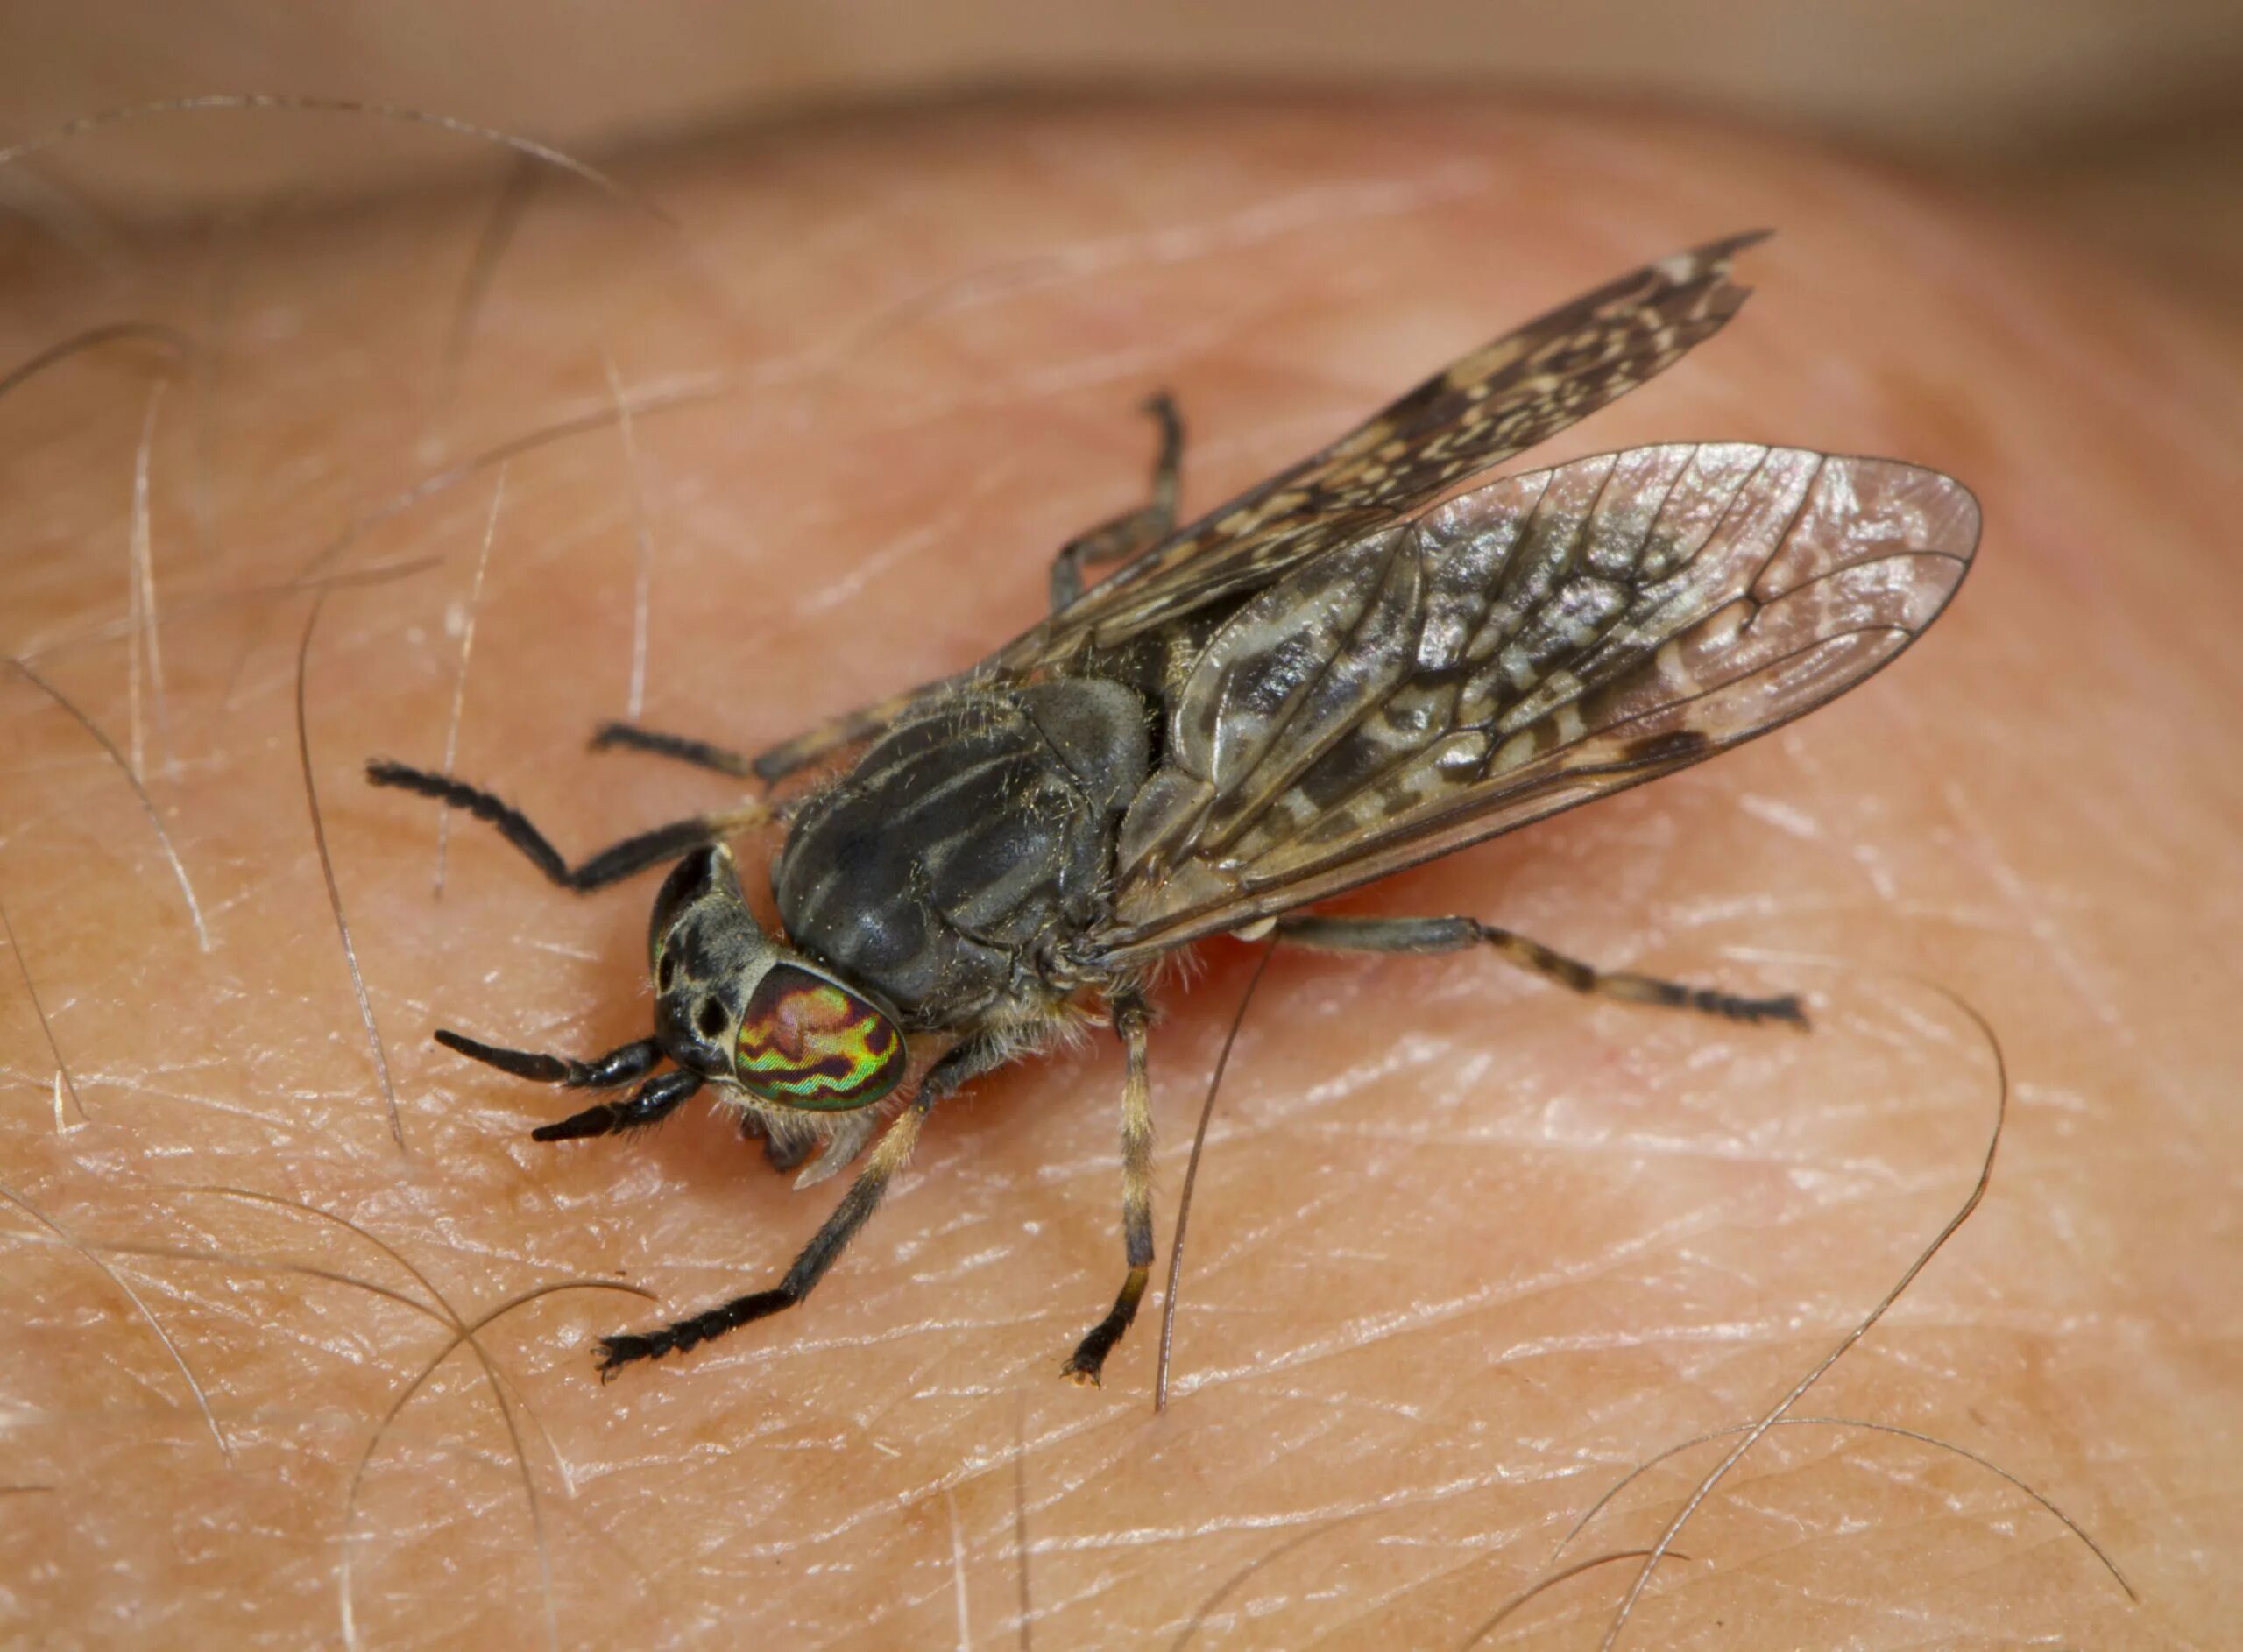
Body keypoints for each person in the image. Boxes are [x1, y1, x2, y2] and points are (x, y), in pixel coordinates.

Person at [0, 95, 2224, 1645]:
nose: (747, 990)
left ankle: (1620, 980)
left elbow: (1126, 1052)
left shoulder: (1028, 955)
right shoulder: (843, 818)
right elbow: (830, 764)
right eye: (741, 969)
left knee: (1439, 890)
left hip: (1275, 771)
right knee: (1109, 569)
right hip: (1142, 653)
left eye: (740, 963)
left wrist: (1086, 1269)